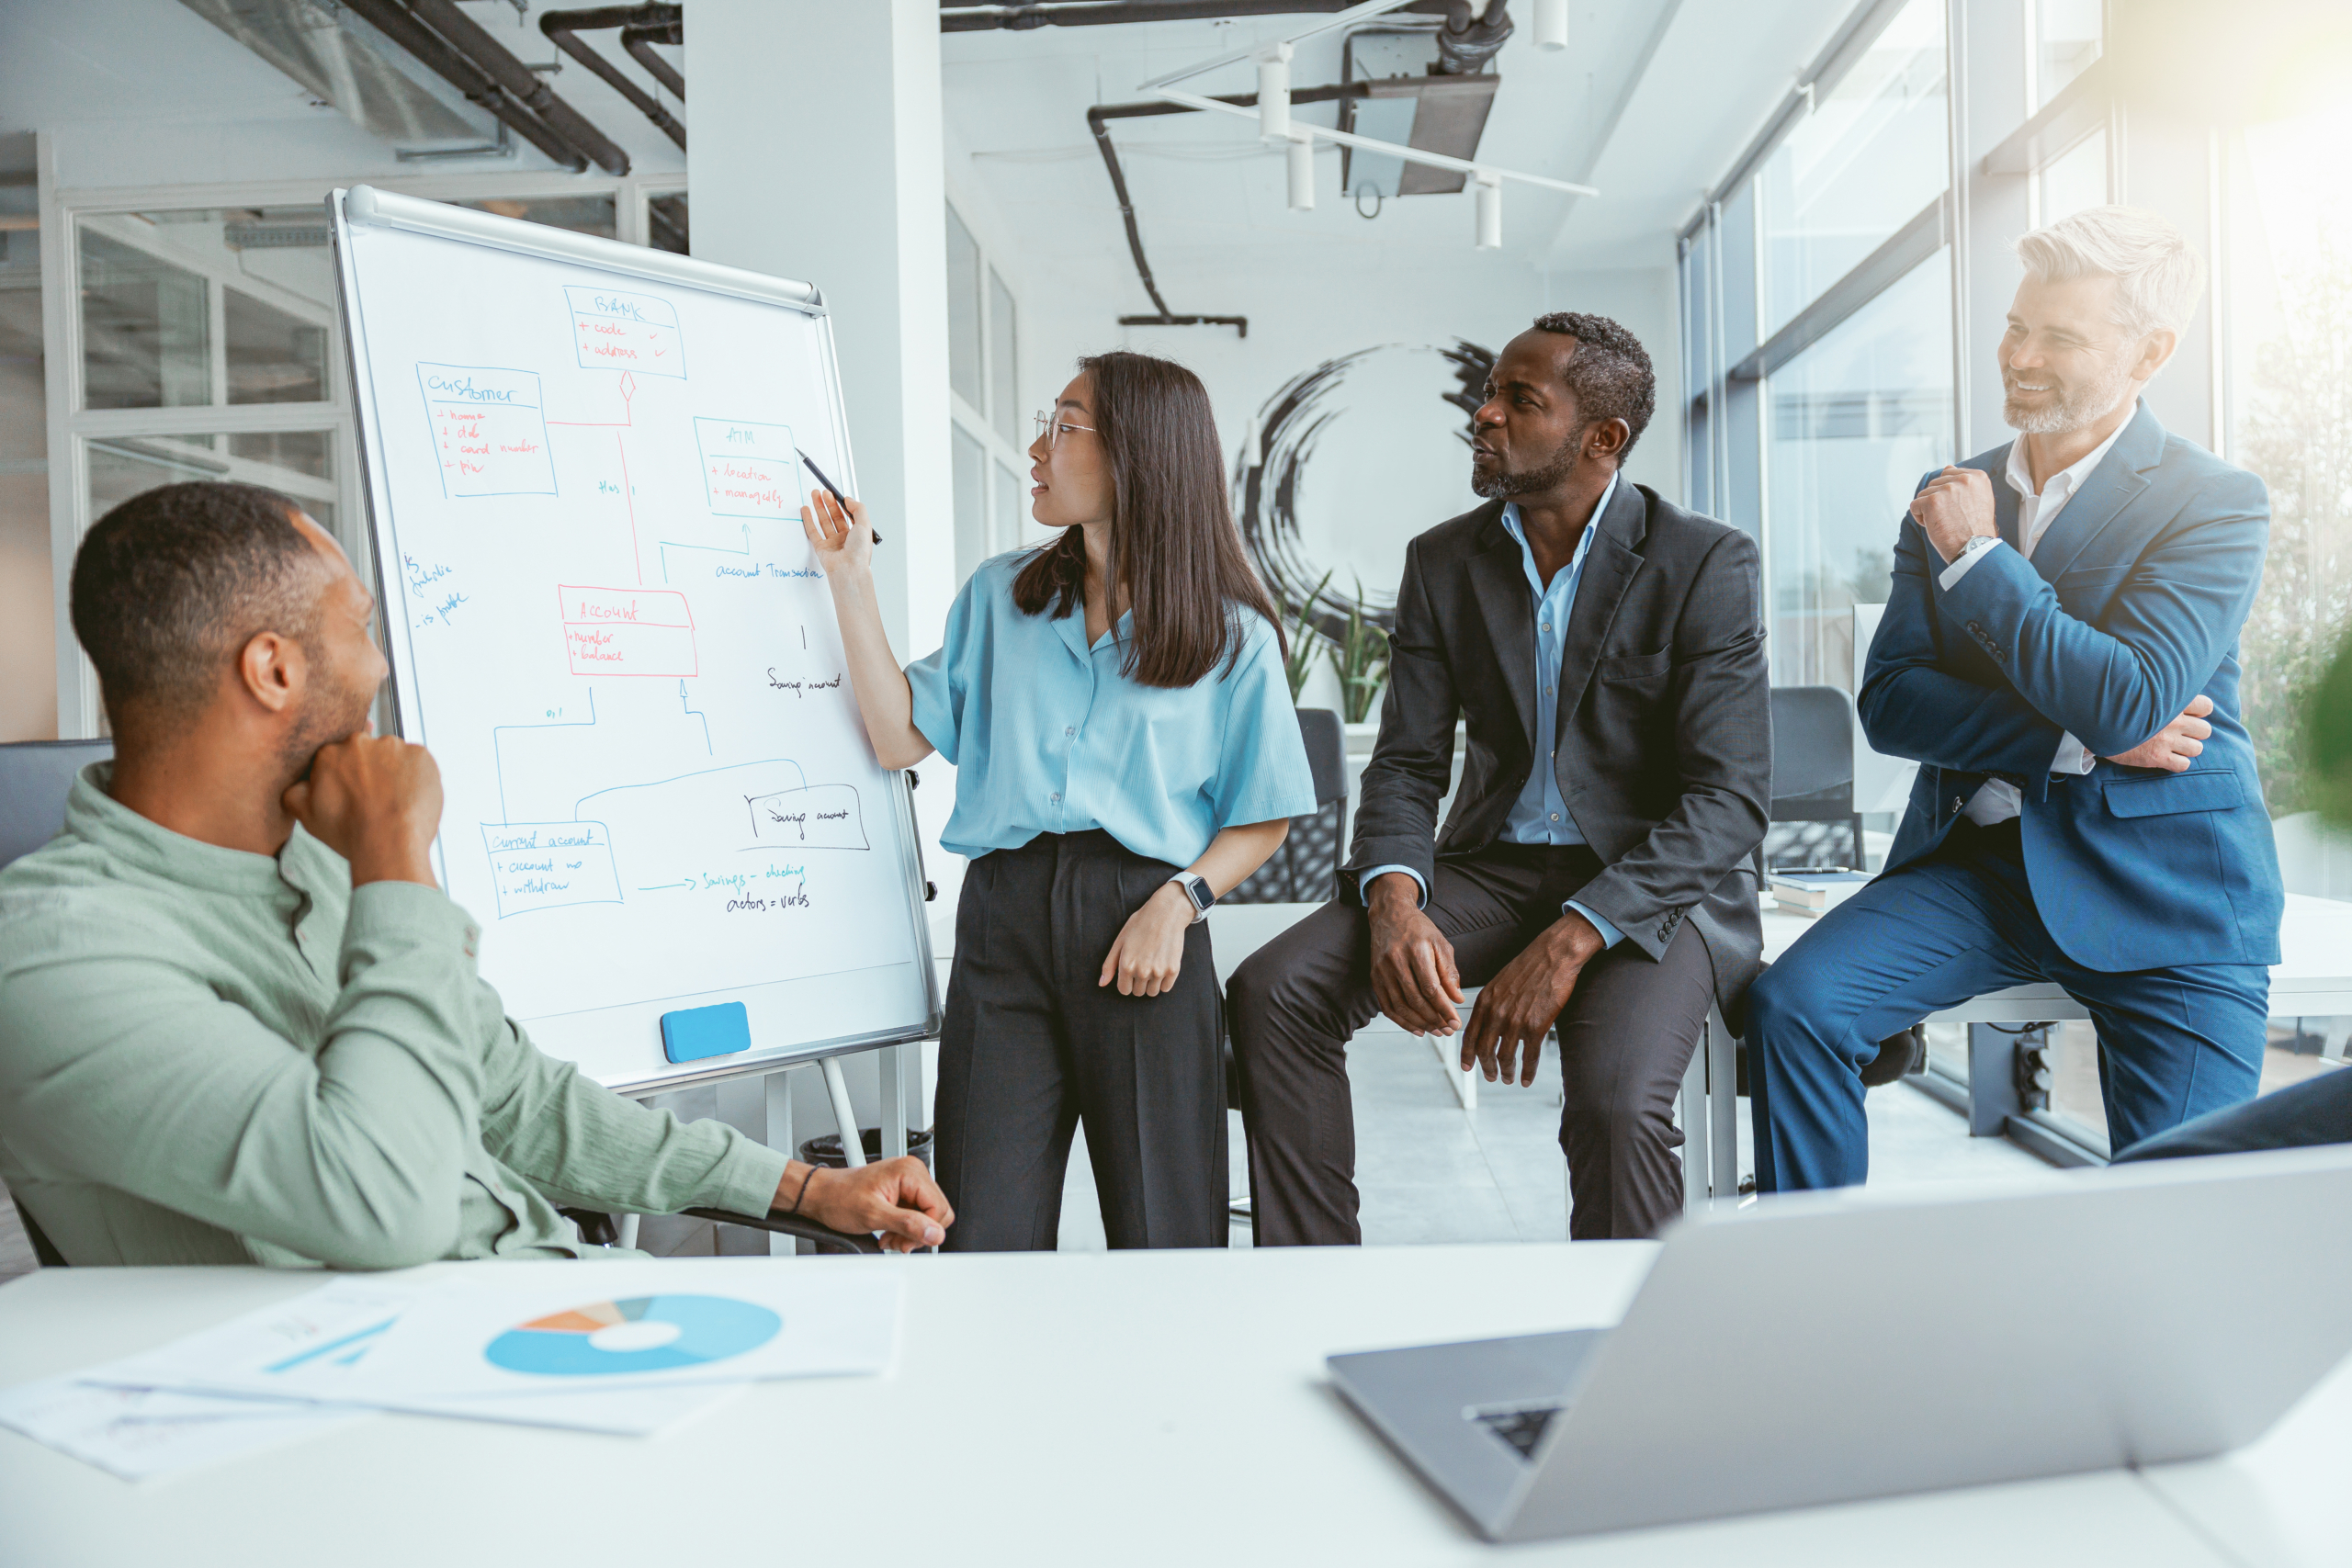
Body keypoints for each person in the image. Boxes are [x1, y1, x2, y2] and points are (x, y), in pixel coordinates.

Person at [0, 481, 952, 1267]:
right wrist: (393, 868)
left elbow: (511, 1097)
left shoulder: (311, 865)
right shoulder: (56, 960)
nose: (379, 666)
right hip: (402, 1404)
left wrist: (805, 1189)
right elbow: (381, 1203)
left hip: (548, 1305)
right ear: (273, 672)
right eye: (359, 625)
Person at [1746, 206, 2284, 1192]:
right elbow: (1893, 704)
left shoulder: (2212, 500)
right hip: (1986, 872)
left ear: (2149, 351)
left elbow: (2128, 697)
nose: (2020, 356)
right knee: (1798, 1007)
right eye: (2014, 325)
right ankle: (1816, 1289)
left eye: (2060, 337)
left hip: (2168, 892)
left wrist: (1980, 556)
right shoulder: (1949, 490)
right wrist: (2075, 742)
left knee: (2183, 1204)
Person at [1227, 312, 1770, 1244]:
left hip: (1650, 890)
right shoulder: (1442, 561)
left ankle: (1627, 1367)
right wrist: (1394, 902)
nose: (1484, 416)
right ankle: (1312, 1283)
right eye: (1489, 395)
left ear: (1602, 439)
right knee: (1275, 989)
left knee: (1613, 1105)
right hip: (1494, 867)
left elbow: (1727, 801)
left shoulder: (1704, 561)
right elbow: (1406, 761)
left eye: (1520, 401)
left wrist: (1570, 941)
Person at [805, 350, 1317, 1251]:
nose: (1037, 447)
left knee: (1167, 1236)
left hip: (1143, 928)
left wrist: (1180, 900)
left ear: (1138, 456)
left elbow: (1262, 814)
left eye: (1065, 426)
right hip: (1004, 922)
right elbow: (896, 738)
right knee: (977, 1233)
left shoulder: (1232, 635)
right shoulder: (1002, 599)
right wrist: (850, 582)